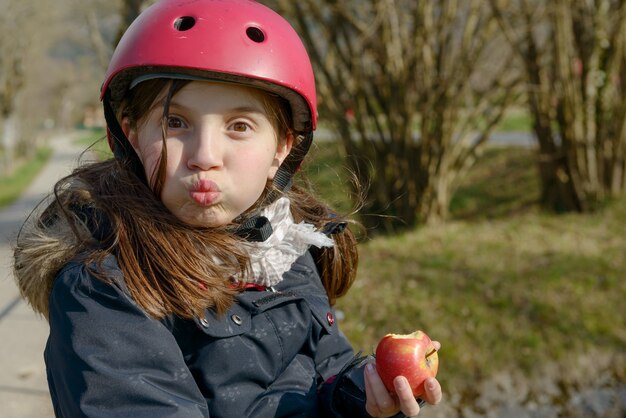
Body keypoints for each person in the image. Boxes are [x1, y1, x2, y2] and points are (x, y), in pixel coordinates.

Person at [13, 0, 442, 416]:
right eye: (174, 122)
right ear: (131, 134)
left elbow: (324, 373)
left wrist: (363, 397)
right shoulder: (105, 288)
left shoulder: (282, 252)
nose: (205, 155)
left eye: (239, 126)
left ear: (281, 148)